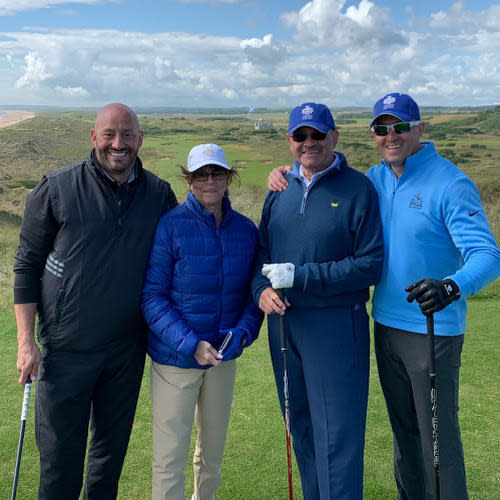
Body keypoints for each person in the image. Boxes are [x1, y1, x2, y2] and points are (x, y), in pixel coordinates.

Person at [268, 93, 500, 500]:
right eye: (382, 128)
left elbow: (487, 255)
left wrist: (451, 286)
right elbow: (323, 178)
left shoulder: (450, 182)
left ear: (420, 129)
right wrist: (283, 172)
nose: (391, 135)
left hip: (433, 328)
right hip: (385, 324)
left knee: (437, 442)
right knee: (405, 437)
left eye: (400, 126)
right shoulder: (375, 179)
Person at [13, 103, 178, 500]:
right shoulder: (55, 189)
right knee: (59, 463)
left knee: (108, 461)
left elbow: (187, 246)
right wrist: (25, 342)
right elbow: (26, 268)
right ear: (94, 138)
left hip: (125, 350)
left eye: (126, 135)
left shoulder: (158, 194)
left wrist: (285, 177)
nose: (118, 144)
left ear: (140, 139)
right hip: (65, 351)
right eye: (109, 134)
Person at [251, 103, 384, 500]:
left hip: (335, 324)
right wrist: (261, 289)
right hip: (284, 327)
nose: (309, 143)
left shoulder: (358, 188)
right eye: (300, 136)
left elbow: (370, 265)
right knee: (302, 427)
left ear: (334, 137)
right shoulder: (279, 189)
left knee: (337, 437)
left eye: (318, 135)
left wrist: (301, 276)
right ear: (290, 141)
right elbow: (261, 252)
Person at [141, 143, 263, 500]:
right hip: (176, 360)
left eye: (217, 172)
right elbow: (152, 296)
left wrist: (241, 334)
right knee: (169, 458)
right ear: (189, 180)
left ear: (229, 177)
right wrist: (190, 343)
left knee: (212, 454)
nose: (210, 180)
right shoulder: (170, 226)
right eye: (201, 174)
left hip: (223, 359)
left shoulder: (245, 230)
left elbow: (252, 297)